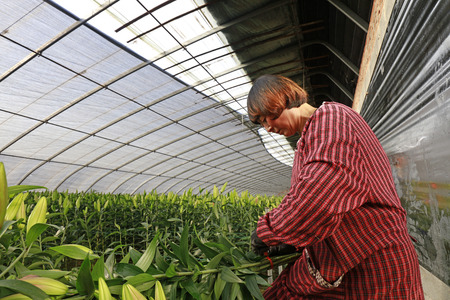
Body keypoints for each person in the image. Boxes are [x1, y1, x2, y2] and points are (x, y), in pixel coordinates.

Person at [247, 74, 424, 299]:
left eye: (265, 118)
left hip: (379, 264)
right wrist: (292, 243)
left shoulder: (332, 118)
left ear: (280, 99)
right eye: (261, 123)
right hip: (352, 263)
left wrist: (269, 230)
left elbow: (317, 197)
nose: (268, 128)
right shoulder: (306, 144)